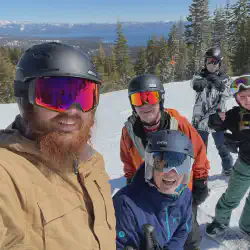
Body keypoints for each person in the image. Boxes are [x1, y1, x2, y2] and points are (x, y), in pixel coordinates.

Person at [0, 42, 116, 250]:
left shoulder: (93, 163)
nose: (72, 111)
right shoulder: (7, 173)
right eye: (54, 95)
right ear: (25, 99)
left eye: (84, 95)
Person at [120, 74, 210, 250]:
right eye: (139, 99)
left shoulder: (179, 124)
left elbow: (198, 152)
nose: (146, 105)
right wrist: (131, 182)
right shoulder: (129, 132)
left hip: (180, 191)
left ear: (160, 100)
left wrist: (200, 180)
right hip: (149, 195)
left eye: (151, 97)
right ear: (133, 105)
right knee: (155, 235)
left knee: (189, 235)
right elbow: (128, 161)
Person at [114, 130, 193, 250]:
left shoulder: (184, 195)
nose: (171, 173)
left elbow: (182, 231)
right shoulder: (125, 206)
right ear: (150, 167)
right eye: (162, 163)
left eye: (179, 164)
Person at [206, 75, 250, 237]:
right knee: (232, 197)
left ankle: (247, 226)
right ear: (237, 99)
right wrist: (217, 119)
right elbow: (214, 123)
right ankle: (220, 222)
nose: (247, 100)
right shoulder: (235, 114)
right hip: (245, 165)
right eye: (242, 97)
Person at [191, 46, 233, 176]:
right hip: (200, 120)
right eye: (209, 61)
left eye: (215, 62)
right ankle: (200, 173)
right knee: (200, 149)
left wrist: (221, 85)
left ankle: (228, 168)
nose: (212, 65)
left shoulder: (225, 79)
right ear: (205, 62)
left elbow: (230, 93)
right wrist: (201, 83)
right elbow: (195, 84)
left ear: (219, 63)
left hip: (218, 119)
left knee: (222, 146)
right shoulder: (198, 76)